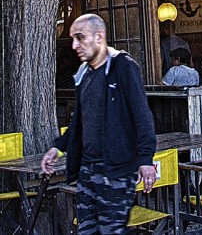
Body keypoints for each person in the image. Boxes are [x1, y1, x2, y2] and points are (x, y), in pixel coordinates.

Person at [42, 14, 157, 234]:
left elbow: (142, 115)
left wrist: (145, 158)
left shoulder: (123, 66)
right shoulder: (83, 74)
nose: (74, 45)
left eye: (80, 38)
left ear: (99, 36)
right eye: (73, 39)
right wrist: (58, 148)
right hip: (87, 170)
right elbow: (79, 122)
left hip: (116, 170)